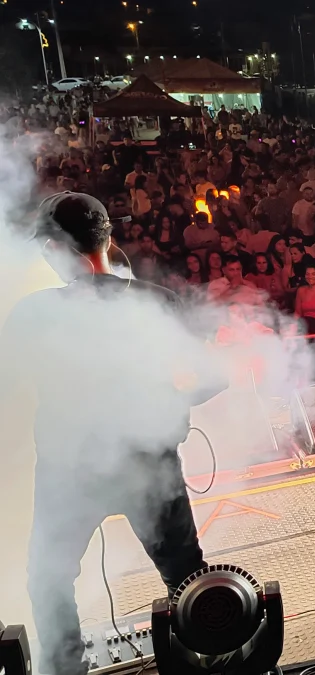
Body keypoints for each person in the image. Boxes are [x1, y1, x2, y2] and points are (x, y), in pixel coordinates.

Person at [1, 193, 222, 675]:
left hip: (69, 473)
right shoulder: (159, 302)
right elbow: (209, 377)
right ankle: (204, 660)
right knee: (185, 576)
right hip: (150, 464)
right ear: (106, 239)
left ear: (55, 249)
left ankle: (65, 670)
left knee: (49, 580)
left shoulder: (34, 313)